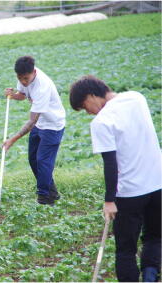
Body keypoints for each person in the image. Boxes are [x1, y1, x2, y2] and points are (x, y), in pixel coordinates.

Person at [69, 75, 161, 282]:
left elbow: (111, 164)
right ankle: (150, 278)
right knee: (154, 237)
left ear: (92, 95)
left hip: (130, 193)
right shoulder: (137, 98)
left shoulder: (101, 122)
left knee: (126, 250)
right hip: (158, 184)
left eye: (85, 106)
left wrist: (109, 201)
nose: (89, 112)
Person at [2, 55, 66, 206]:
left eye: (26, 78)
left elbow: (32, 121)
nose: (23, 81)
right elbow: (23, 95)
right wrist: (11, 95)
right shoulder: (23, 76)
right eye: (20, 78)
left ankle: (44, 199)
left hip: (53, 124)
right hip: (41, 123)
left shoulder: (42, 86)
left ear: (34, 72)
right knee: (33, 159)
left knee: (43, 161)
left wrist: (12, 140)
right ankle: (52, 192)